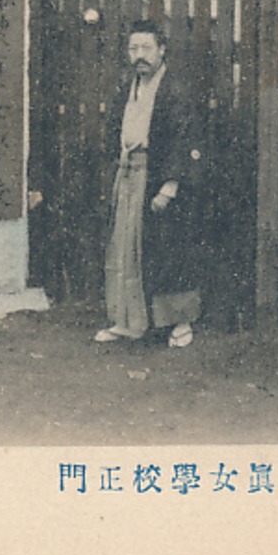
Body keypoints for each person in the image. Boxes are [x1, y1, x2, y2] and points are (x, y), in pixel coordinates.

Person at [94, 19, 206, 348]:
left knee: (169, 249)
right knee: (125, 247)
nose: (139, 55)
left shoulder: (176, 90)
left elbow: (186, 140)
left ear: (161, 50)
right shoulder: (128, 88)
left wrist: (170, 186)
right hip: (128, 175)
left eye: (146, 48)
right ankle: (127, 320)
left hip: (159, 179)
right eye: (133, 48)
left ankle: (180, 323)